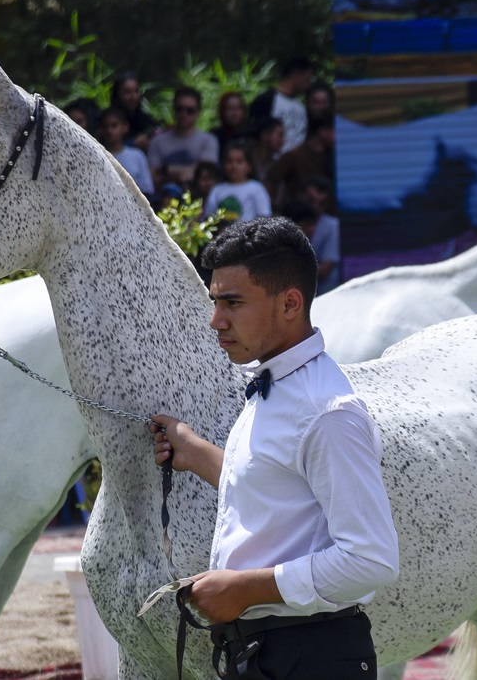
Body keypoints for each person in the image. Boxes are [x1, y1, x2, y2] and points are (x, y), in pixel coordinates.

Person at [149, 217, 399, 680]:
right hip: (269, 651)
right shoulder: (275, 383)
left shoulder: (328, 412)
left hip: (313, 656)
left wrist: (246, 589)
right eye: (214, 301)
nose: (215, 320)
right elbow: (279, 494)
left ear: (289, 303)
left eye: (232, 303)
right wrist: (195, 452)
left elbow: (371, 560)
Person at [147, 87, 219, 191]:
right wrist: (191, 170)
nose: (184, 114)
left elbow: (207, 174)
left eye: (190, 110)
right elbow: (152, 176)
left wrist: (167, 170)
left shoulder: (209, 141)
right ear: (173, 109)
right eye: (179, 109)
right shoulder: (157, 141)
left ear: (198, 112)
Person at [266, 113, 334, 210]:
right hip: (298, 215)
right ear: (323, 131)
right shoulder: (294, 155)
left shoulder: (333, 156)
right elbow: (270, 181)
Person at [249, 56, 313, 154]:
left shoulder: (301, 106)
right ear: (296, 76)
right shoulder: (266, 100)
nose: (308, 85)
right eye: (307, 80)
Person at [204, 141, 272, 222]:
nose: (234, 166)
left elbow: (264, 217)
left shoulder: (256, 188)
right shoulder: (217, 189)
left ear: (249, 166)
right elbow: (209, 217)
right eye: (229, 161)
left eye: (239, 161)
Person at [97, 107, 155, 198]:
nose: (109, 131)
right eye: (105, 126)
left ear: (125, 127)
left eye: (114, 125)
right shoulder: (97, 157)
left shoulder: (137, 156)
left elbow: (146, 190)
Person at [110, 71, 157, 152]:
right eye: (127, 92)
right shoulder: (109, 120)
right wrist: (133, 143)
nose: (133, 97)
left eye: (136, 91)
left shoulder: (145, 120)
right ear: (117, 94)